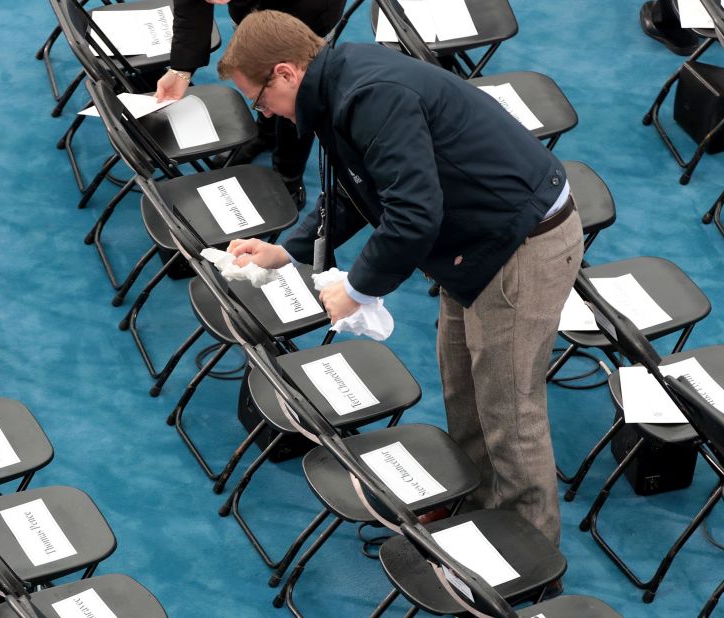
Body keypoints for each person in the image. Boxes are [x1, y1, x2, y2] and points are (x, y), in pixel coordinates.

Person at [218, 10, 583, 544]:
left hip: (521, 247)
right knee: (465, 389)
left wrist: (358, 289)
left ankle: (527, 560)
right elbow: (354, 188)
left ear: (286, 73)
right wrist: (285, 251)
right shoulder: (340, 83)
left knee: (508, 410)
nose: (265, 114)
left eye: (260, 99)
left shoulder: (368, 96)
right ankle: (478, 509)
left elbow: (413, 214)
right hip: (478, 243)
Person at [155, 0, 346, 206]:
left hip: (308, 12)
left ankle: (289, 173)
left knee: (295, 94)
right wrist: (182, 68)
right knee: (260, 84)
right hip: (249, 10)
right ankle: (266, 134)